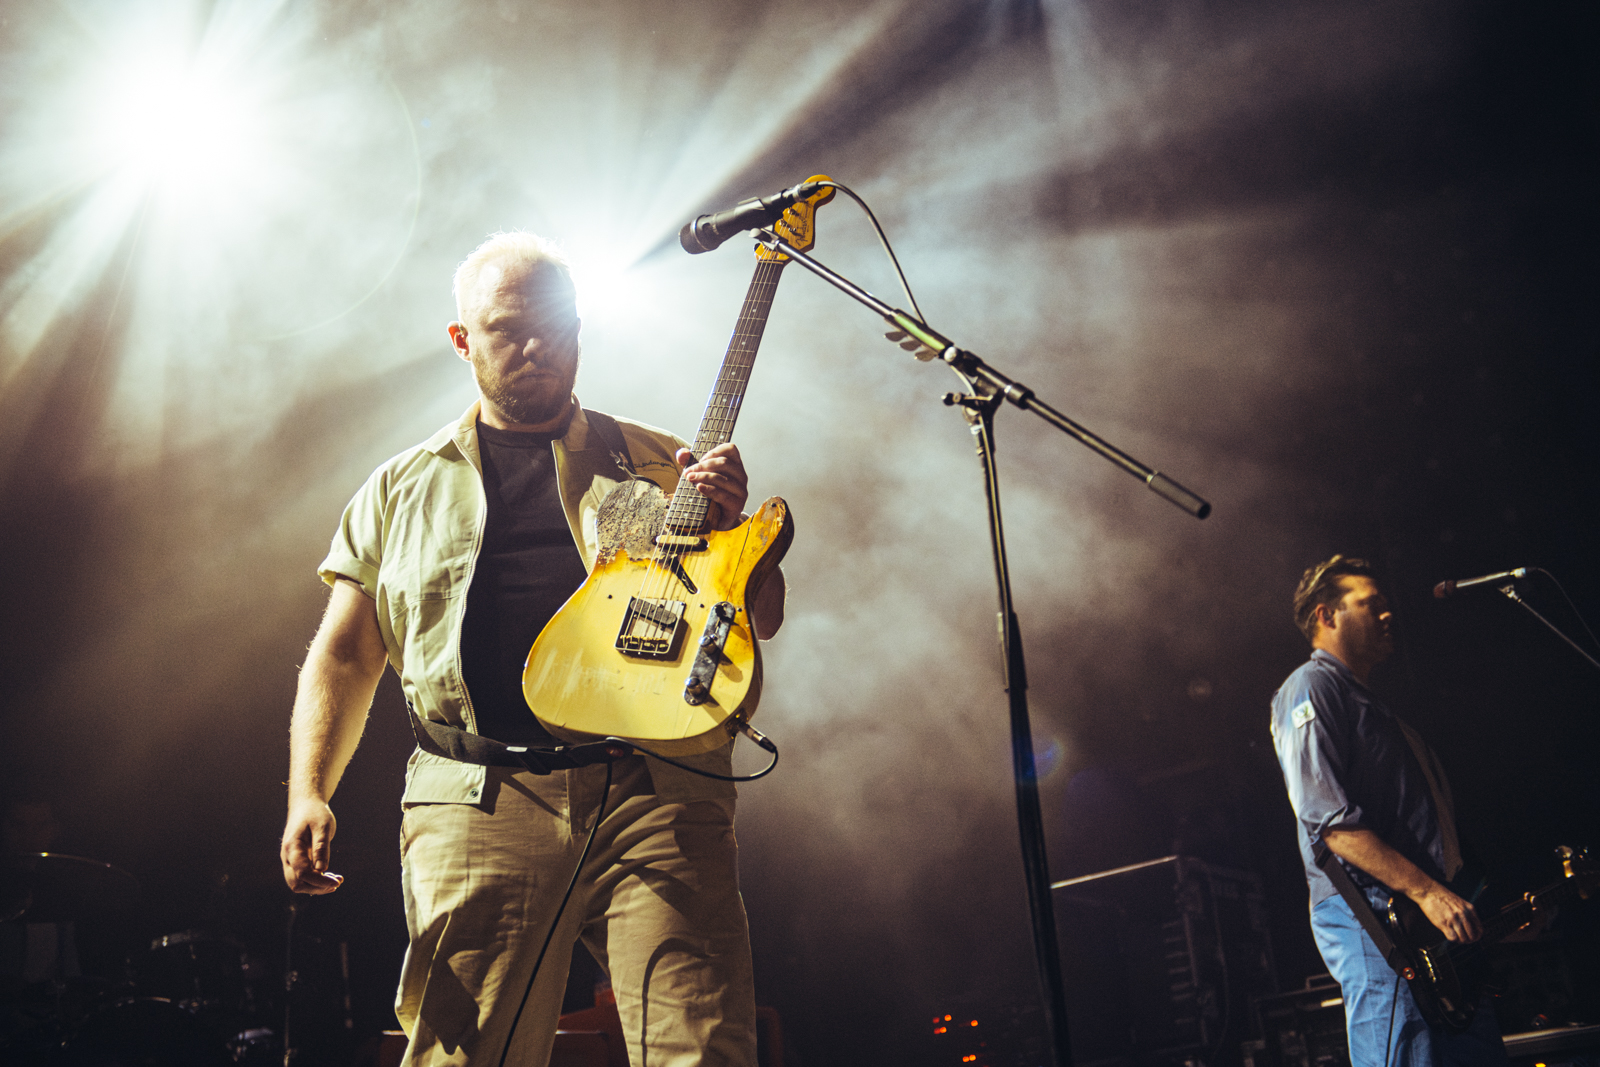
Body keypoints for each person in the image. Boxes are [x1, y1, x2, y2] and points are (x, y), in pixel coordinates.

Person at [279, 231, 785, 1066]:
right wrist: (310, 790)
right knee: (463, 1054)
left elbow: (759, 617)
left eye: (552, 325)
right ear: (462, 339)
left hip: (653, 792)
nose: (536, 346)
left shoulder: (664, 462)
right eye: (507, 328)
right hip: (481, 796)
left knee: (703, 1049)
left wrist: (736, 529)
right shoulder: (400, 488)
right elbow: (344, 654)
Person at [1269, 555, 1506, 1067]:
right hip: (1376, 917)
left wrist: (1471, 904)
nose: (1387, 613)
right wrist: (1427, 892)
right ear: (1327, 615)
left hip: (1425, 920)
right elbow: (1331, 824)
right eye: (1370, 604)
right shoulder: (1310, 688)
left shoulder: (1375, 708)